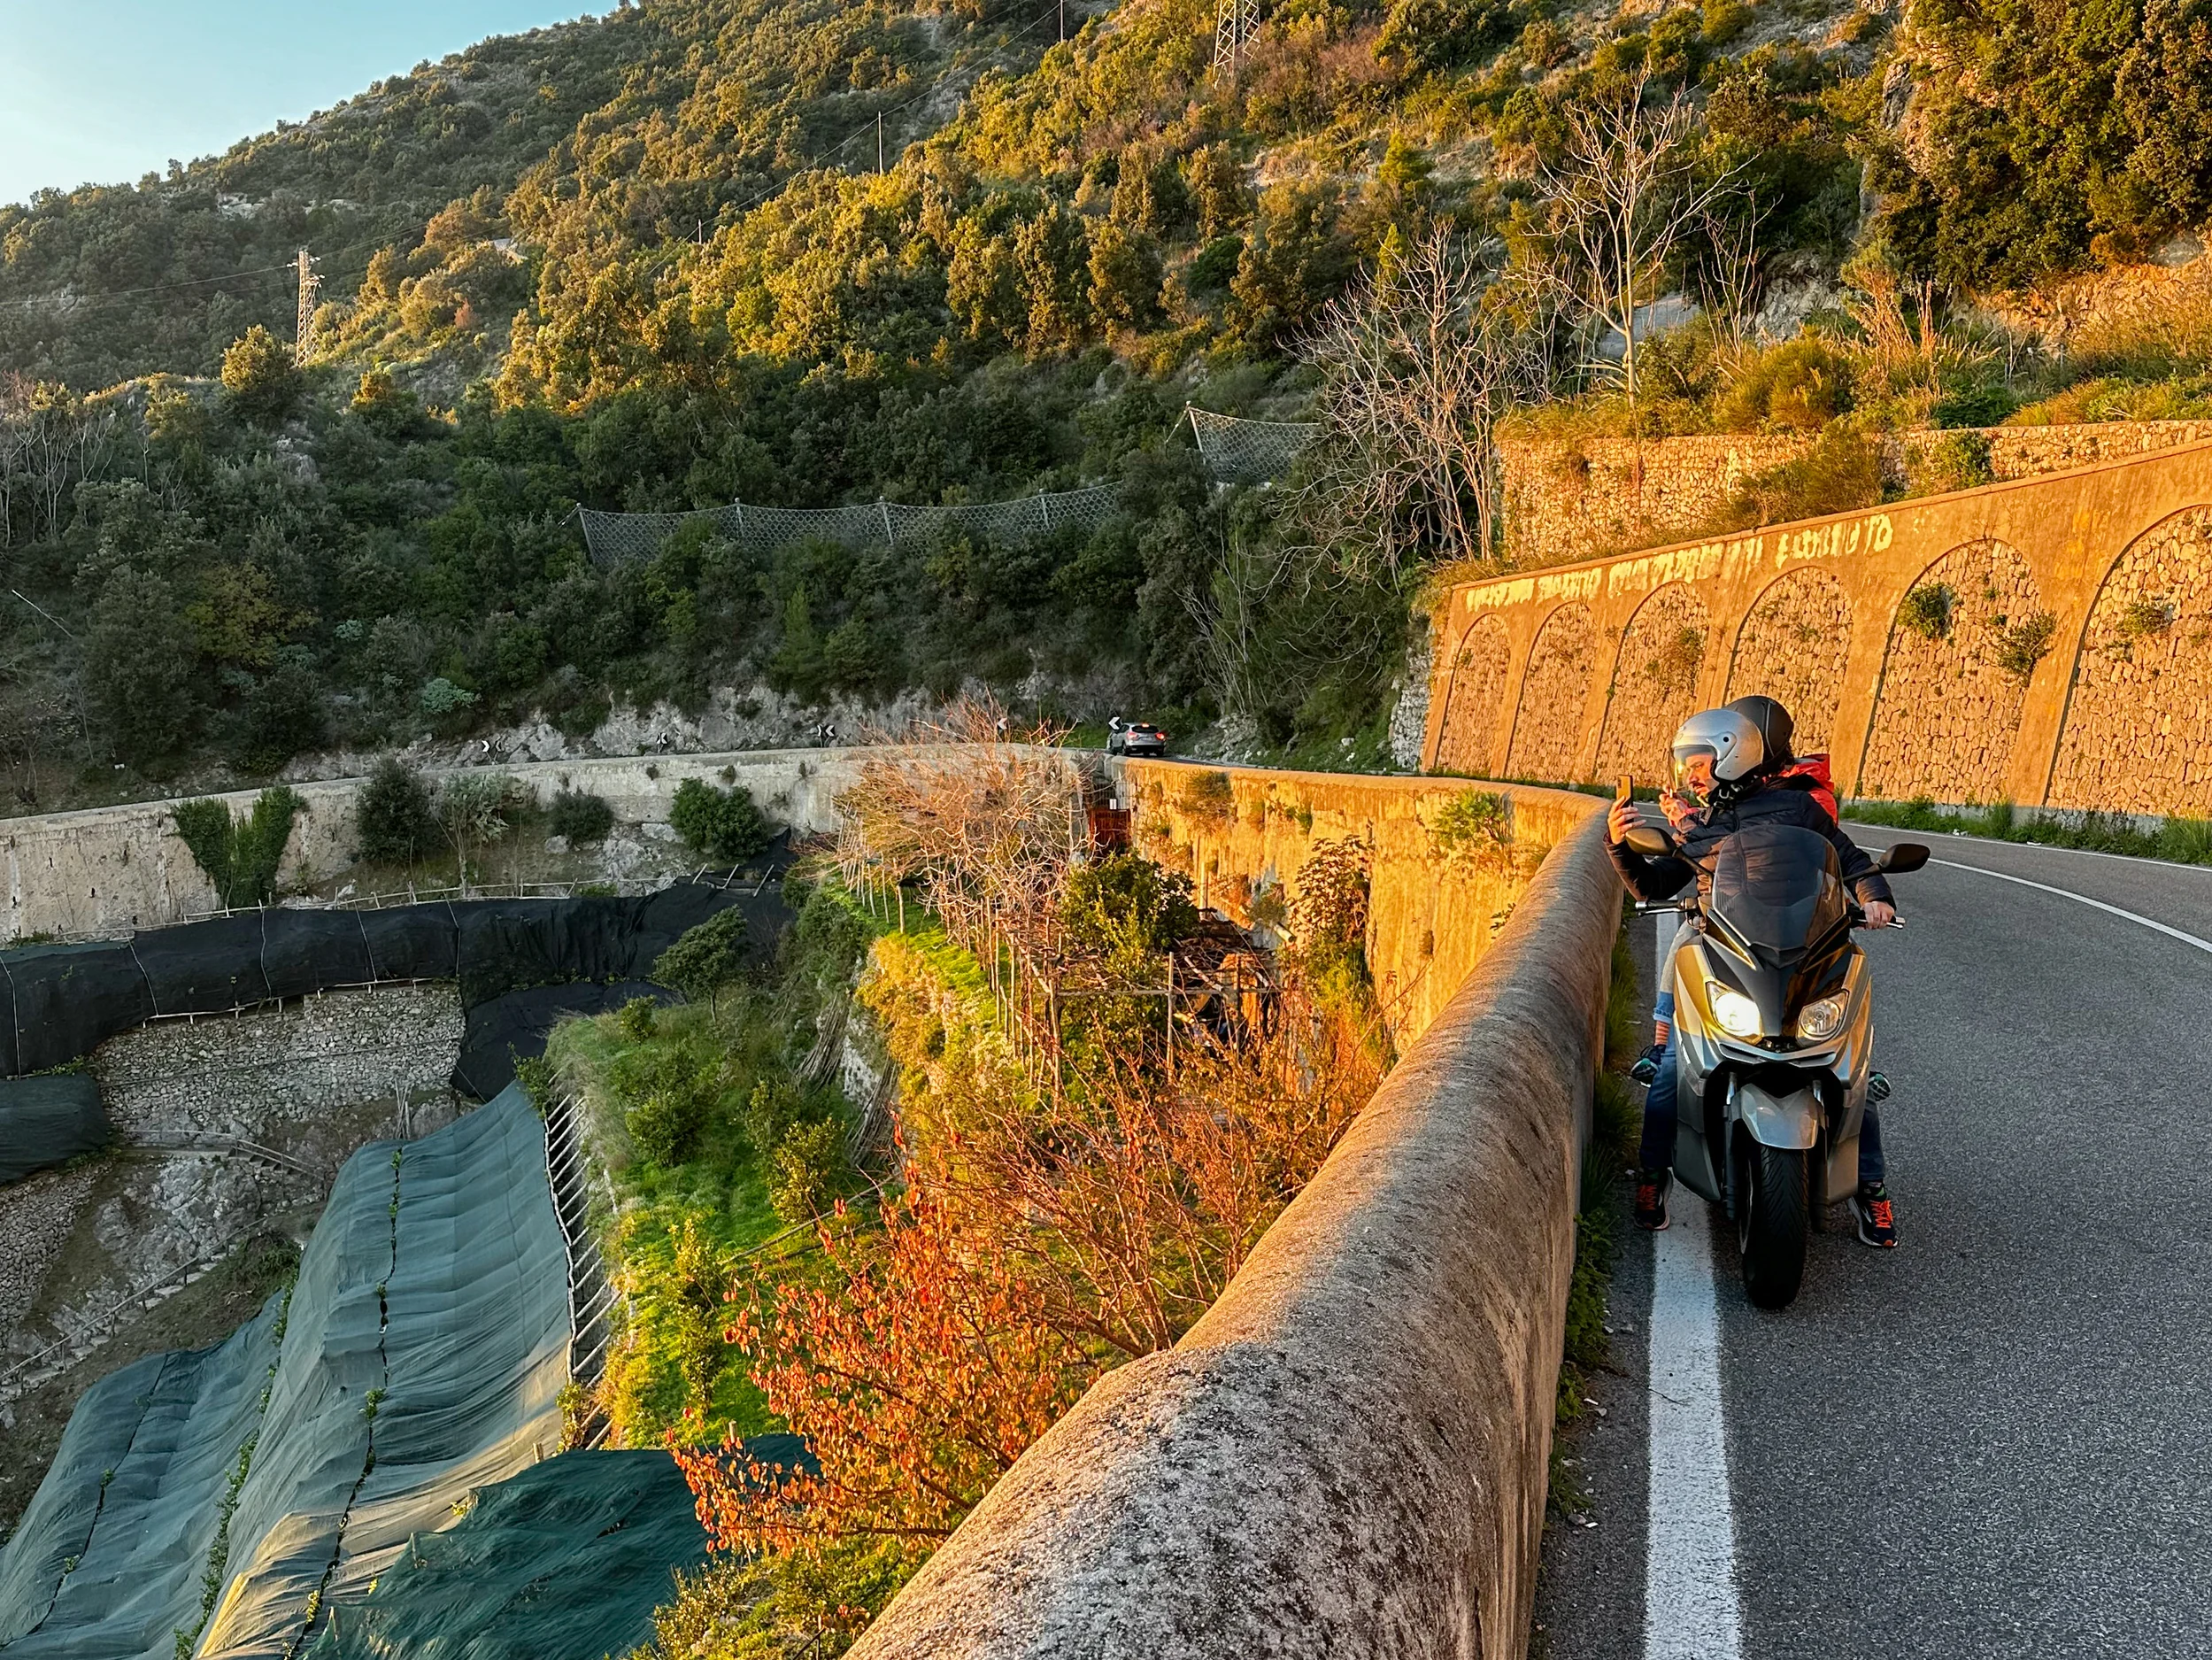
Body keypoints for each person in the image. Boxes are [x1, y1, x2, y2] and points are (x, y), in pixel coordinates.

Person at [1607, 703, 1901, 1249]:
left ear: (1731, 754)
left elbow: (1850, 861)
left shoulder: (1796, 809)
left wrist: (1875, 898)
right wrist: (1620, 844)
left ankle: (1871, 1187)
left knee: (1850, 1074)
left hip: (1800, 951)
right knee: (1674, 1073)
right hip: (1727, 952)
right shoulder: (1707, 822)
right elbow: (1651, 888)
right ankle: (1653, 1177)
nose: (1689, 775)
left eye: (1697, 762)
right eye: (1686, 764)